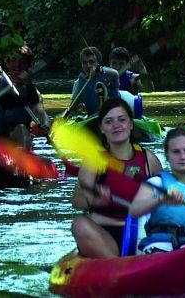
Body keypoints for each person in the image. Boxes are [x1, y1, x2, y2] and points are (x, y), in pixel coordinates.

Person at [70, 98, 164, 258]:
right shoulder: (94, 161)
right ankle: (120, 268)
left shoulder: (149, 160)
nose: (116, 125)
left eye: (122, 120)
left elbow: (163, 198)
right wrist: (94, 200)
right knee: (79, 225)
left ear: (131, 124)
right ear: (102, 128)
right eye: (109, 121)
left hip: (143, 233)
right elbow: (77, 202)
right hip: (105, 233)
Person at [0, 44, 51, 144]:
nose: (17, 65)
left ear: (28, 65)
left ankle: (21, 153)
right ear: (7, 63)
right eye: (13, 60)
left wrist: (46, 125)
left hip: (21, 135)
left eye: (22, 62)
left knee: (21, 129)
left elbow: (42, 114)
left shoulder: (34, 93)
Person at [67, 46, 120, 117]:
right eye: (84, 62)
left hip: (114, 114)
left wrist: (100, 70)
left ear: (98, 62)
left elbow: (116, 74)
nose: (88, 65)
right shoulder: (79, 82)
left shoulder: (108, 74)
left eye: (91, 62)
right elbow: (73, 107)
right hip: (92, 116)